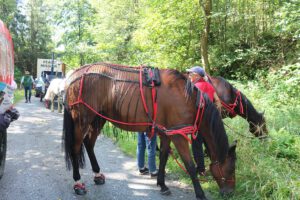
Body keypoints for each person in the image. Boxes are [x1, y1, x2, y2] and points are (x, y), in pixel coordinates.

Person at [186, 66, 222, 176]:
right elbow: (218, 102)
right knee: (209, 144)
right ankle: (217, 167)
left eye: (191, 74)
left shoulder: (194, 87)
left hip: (198, 123)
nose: (189, 76)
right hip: (209, 121)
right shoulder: (209, 86)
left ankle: (201, 170)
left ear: (197, 76)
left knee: (197, 146)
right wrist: (217, 115)